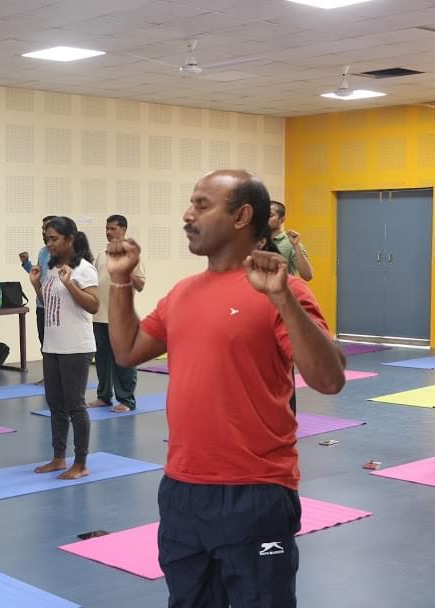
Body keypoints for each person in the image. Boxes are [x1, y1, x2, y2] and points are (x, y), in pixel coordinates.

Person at [108, 170, 345, 607]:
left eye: (202, 205)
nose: (187, 215)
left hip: (254, 490)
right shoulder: (182, 293)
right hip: (182, 486)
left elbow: (329, 379)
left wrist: (283, 300)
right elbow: (127, 352)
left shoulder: (284, 289)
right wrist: (121, 282)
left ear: (242, 216)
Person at [29, 216, 98, 480]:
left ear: (70, 239)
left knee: (75, 406)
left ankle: (80, 463)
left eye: (54, 239)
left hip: (76, 346)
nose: (49, 244)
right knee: (55, 405)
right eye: (47, 239)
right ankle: (59, 458)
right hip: (53, 344)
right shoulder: (52, 267)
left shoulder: (84, 269)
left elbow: (93, 306)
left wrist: (70, 283)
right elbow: (51, 304)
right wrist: (36, 284)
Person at [87, 214, 145, 413]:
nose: (108, 232)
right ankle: (103, 396)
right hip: (99, 315)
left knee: (123, 361)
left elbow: (141, 284)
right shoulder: (103, 253)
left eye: (112, 228)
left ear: (123, 230)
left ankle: (127, 400)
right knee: (102, 360)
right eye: (106, 228)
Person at [19, 215, 56, 346]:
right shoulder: (43, 252)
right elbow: (38, 273)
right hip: (41, 305)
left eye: (47, 228)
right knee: (44, 343)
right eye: (42, 228)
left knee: (56, 344)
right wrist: (26, 264)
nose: (44, 231)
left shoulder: (63, 253)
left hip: (56, 306)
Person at [269, 201, 313, 281]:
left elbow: (307, 276)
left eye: (270, 215)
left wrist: (296, 246)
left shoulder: (291, 242)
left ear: (282, 220)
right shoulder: (256, 241)